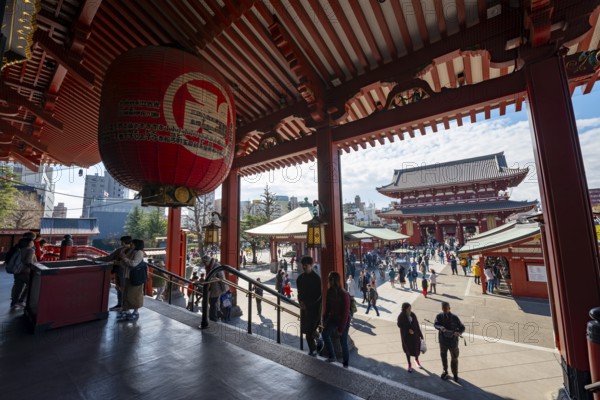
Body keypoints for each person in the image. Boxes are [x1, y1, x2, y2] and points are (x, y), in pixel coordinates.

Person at [94, 236, 133, 311]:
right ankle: (122, 305)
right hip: (123, 271)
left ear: (123, 242)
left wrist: (96, 259)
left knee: (122, 288)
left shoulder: (122, 250)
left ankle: (123, 306)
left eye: (121, 241)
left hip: (123, 271)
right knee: (121, 288)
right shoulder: (130, 250)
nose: (121, 243)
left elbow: (109, 258)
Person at [321, 271, 351, 367]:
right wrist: (324, 318)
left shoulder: (344, 294)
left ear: (333, 280)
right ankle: (332, 356)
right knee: (325, 334)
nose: (328, 281)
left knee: (343, 342)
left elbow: (346, 313)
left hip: (344, 320)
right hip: (333, 318)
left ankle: (345, 363)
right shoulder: (329, 292)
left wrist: (341, 329)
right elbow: (327, 307)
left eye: (329, 279)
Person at [296, 256, 322, 357]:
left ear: (311, 265)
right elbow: (299, 293)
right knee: (308, 330)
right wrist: (300, 302)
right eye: (303, 265)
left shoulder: (317, 279)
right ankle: (319, 340)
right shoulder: (300, 278)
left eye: (306, 265)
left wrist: (307, 304)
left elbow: (319, 295)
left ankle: (313, 349)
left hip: (315, 309)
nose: (304, 267)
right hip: (304, 308)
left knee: (309, 332)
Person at [434, 302, 466, 382]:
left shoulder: (455, 317)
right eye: (443, 308)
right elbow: (436, 324)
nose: (445, 310)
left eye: (446, 308)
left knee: (454, 358)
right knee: (443, 356)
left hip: (453, 342)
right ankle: (445, 370)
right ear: (442, 309)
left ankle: (455, 374)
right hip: (443, 342)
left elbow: (462, 327)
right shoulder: (439, 316)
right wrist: (441, 328)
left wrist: (458, 333)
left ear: (449, 308)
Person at [118, 239, 146, 321]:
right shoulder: (132, 251)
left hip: (135, 276)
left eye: (132, 244)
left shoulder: (139, 252)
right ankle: (127, 312)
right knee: (126, 294)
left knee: (134, 295)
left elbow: (134, 263)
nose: (131, 245)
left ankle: (135, 312)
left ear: (136, 244)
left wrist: (124, 258)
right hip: (128, 275)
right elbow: (125, 262)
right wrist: (123, 258)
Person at [9, 237, 36, 309]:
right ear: (29, 243)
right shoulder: (30, 250)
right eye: (32, 242)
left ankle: (14, 302)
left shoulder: (19, 249)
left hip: (17, 271)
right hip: (26, 272)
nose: (33, 243)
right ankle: (22, 300)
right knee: (31, 285)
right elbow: (28, 262)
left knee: (18, 287)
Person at [397, 302, 423, 372]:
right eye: (408, 309)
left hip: (415, 336)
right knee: (408, 350)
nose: (409, 310)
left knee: (416, 349)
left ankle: (416, 360)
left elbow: (417, 325)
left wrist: (420, 334)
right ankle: (409, 364)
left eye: (410, 308)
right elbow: (399, 325)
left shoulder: (413, 314)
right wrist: (408, 329)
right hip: (406, 338)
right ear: (404, 309)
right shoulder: (401, 316)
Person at [203, 255, 227, 321]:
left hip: (217, 288)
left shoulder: (216, 266)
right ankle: (217, 315)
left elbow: (222, 278)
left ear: (208, 261)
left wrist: (224, 289)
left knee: (213, 303)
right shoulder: (208, 266)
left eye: (205, 262)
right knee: (212, 303)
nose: (204, 264)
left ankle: (213, 318)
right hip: (211, 288)